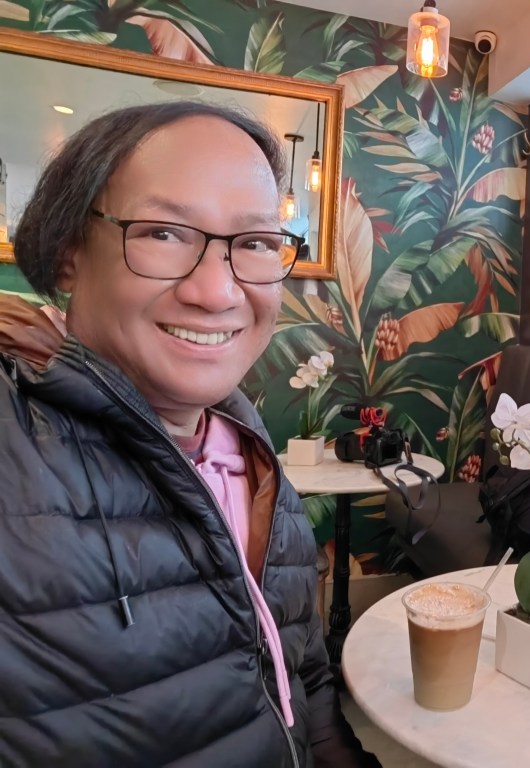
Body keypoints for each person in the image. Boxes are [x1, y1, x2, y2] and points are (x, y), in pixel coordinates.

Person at [0, 102, 379, 767]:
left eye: (255, 242)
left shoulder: (253, 458)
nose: (217, 291)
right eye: (164, 233)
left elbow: (304, 685)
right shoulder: (17, 451)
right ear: (67, 255)